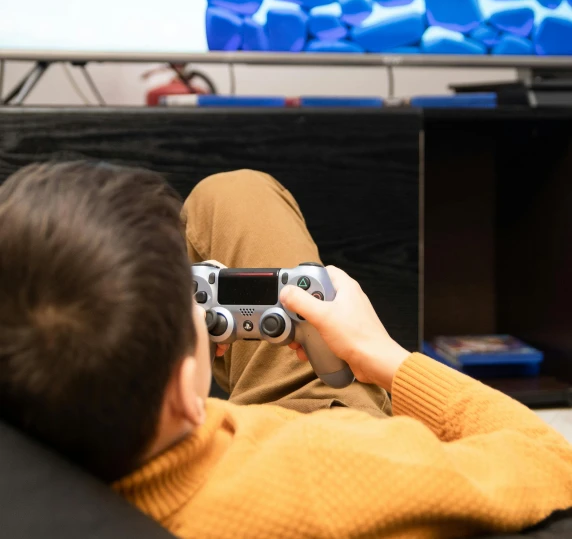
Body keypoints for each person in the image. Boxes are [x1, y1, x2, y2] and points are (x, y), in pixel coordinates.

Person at [0, 162, 570, 539]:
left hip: (188, 438)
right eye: (191, 299)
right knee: (246, 194)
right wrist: (387, 358)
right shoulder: (333, 475)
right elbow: (547, 459)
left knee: (231, 195)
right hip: (305, 439)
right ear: (181, 389)